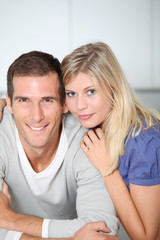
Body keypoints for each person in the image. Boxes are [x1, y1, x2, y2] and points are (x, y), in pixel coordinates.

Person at [0, 51, 119, 240]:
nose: (36, 116)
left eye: (47, 100)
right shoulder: (1, 137)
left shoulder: (88, 142)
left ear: (64, 103)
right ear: (9, 104)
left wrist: (10, 220)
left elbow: (102, 230)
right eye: (24, 100)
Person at [61, 42, 160, 240]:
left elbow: (147, 237)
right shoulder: (95, 122)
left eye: (91, 91)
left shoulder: (143, 141)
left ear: (113, 87)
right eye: (71, 93)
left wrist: (108, 169)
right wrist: (4, 105)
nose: (80, 106)